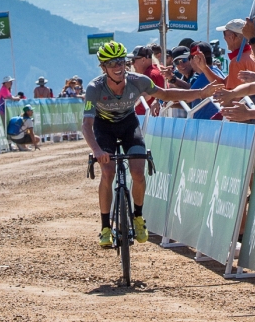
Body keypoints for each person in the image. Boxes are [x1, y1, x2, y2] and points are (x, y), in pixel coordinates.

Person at [82, 42, 218, 249]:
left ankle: (138, 217)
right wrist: (97, 151)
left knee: (138, 172)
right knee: (108, 172)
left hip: (128, 125)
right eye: (111, 64)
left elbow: (165, 94)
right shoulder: (94, 88)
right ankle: (105, 227)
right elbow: (87, 125)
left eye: (120, 61)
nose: (117, 67)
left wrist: (199, 94)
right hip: (105, 128)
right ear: (103, 68)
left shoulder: (138, 81)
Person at [192, 19, 255, 96]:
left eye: (224, 34)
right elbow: (224, 85)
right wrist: (204, 68)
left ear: (231, 37)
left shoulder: (237, 61)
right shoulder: (253, 55)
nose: (224, 38)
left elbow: (229, 95)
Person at [188, 42, 226, 120]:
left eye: (190, 58)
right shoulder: (216, 71)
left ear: (196, 58)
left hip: (206, 125)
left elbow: (187, 98)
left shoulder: (204, 77)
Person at [132, 45, 165, 115]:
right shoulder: (155, 71)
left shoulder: (148, 75)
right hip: (151, 118)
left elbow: (141, 99)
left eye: (133, 60)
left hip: (146, 119)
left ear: (143, 60)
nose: (132, 64)